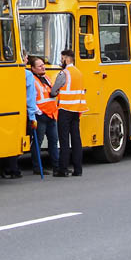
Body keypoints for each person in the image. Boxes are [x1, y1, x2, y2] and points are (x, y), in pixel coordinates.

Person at [51, 48, 86, 176]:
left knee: (64, 140)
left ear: (66, 59)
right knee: (76, 140)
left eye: (62, 58)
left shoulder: (64, 74)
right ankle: (78, 169)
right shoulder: (79, 73)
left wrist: (57, 92)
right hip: (76, 110)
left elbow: (53, 91)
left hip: (65, 110)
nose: (61, 61)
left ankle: (63, 169)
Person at [30, 55, 59, 175]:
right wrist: (37, 111)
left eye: (43, 65)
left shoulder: (46, 78)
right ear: (33, 69)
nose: (43, 67)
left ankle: (57, 166)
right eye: (40, 66)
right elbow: (31, 98)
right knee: (38, 142)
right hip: (40, 115)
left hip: (51, 114)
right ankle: (37, 167)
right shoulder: (32, 80)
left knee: (54, 141)